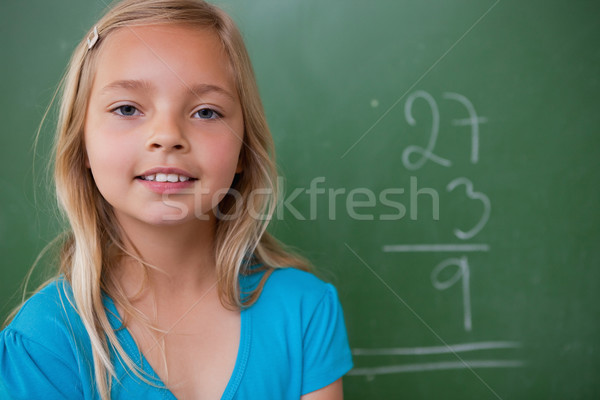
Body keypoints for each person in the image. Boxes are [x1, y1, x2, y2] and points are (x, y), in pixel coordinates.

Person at [0, 1, 353, 399]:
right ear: (82, 145)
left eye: (205, 112)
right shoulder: (44, 341)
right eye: (128, 108)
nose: (167, 135)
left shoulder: (304, 312)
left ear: (242, 151)